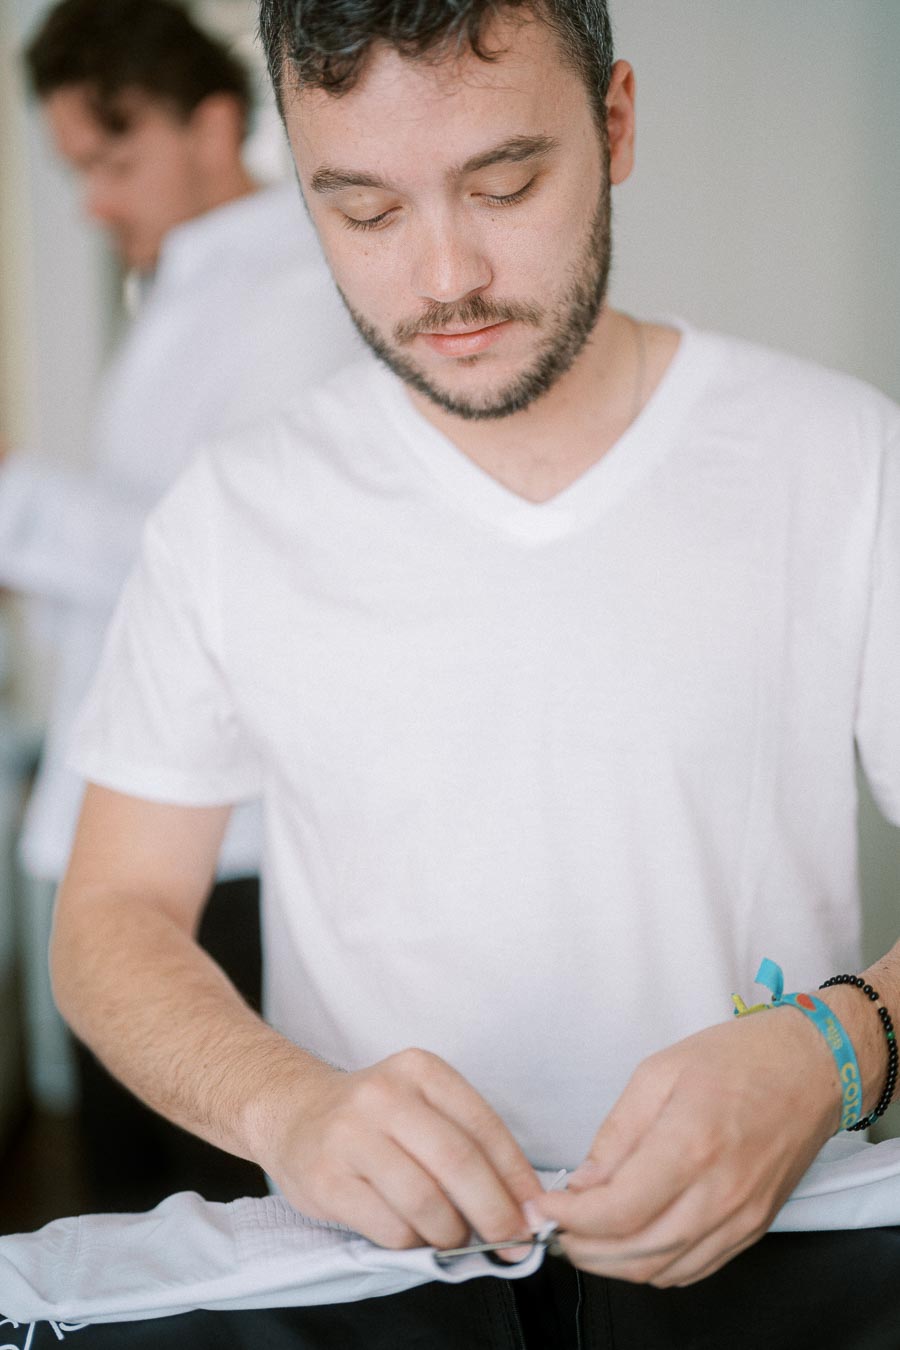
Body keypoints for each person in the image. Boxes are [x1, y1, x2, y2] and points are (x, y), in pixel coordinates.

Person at [49, 0, 900, 1343]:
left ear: (615, 123)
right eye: (365, 212)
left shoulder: (843, 462)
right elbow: (111, 915)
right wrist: (289, 1105)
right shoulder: (232, 514)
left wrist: (841, 1044)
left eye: (504, 183)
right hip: (382, 1280)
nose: (443, 276)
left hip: (779, 1249)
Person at [0, 0, 358, 1206]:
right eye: (75, 170)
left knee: (207, 1201)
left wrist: (13, 504)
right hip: (127, 806)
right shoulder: (182, 287)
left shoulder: (301, 293)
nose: (92, 201)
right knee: (125, 1191)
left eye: (113, 160)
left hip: (223, 840)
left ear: (213, 124)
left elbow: (216, 546)